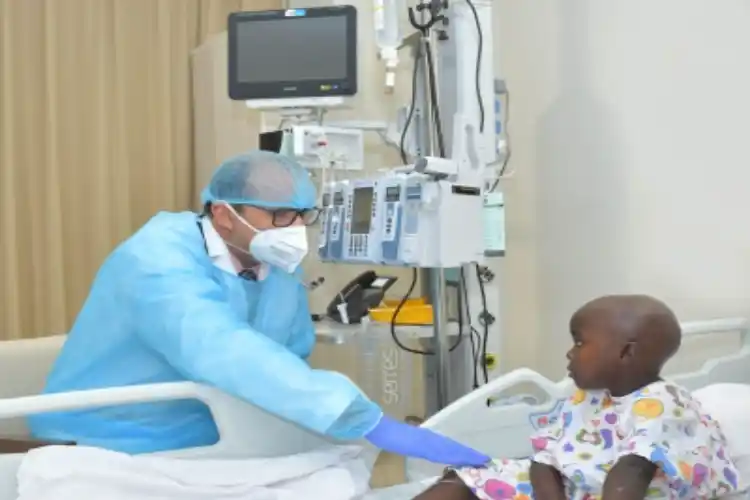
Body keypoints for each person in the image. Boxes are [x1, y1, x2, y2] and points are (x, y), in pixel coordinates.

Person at [28, 151, 489, 467]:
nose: (296, 229)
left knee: (338, 470)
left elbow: (286, 359)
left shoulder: (275, 274)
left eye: (303, 215)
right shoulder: (154, 260)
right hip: (110, 437)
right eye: (280, 216)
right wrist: (362, 419)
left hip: (218, 435)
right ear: (225, 215)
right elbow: (218, 348)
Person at [412, 295, 741, 500]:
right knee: (462, 479)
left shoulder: (663, 404)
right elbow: (544, 459)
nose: (570, 353)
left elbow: (632, 474)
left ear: (626, 352)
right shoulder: (589, 397)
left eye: (580, 343)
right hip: (575, 489)